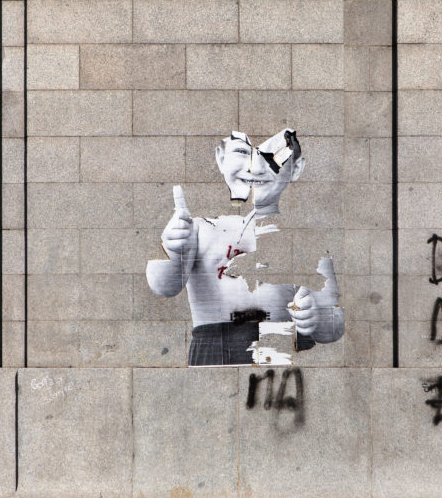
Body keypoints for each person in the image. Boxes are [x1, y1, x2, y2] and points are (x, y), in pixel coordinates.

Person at [146, 129, 345, 366]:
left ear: (297, 168)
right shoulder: (197, 230)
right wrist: (174, 251)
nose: (256, 168)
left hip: (283, 356)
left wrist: (317, 318)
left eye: (273, 157)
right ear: (221, 157)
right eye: (242, 151)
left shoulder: (304, 241)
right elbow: (162, 286)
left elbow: (333, 325)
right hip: (215, 351)